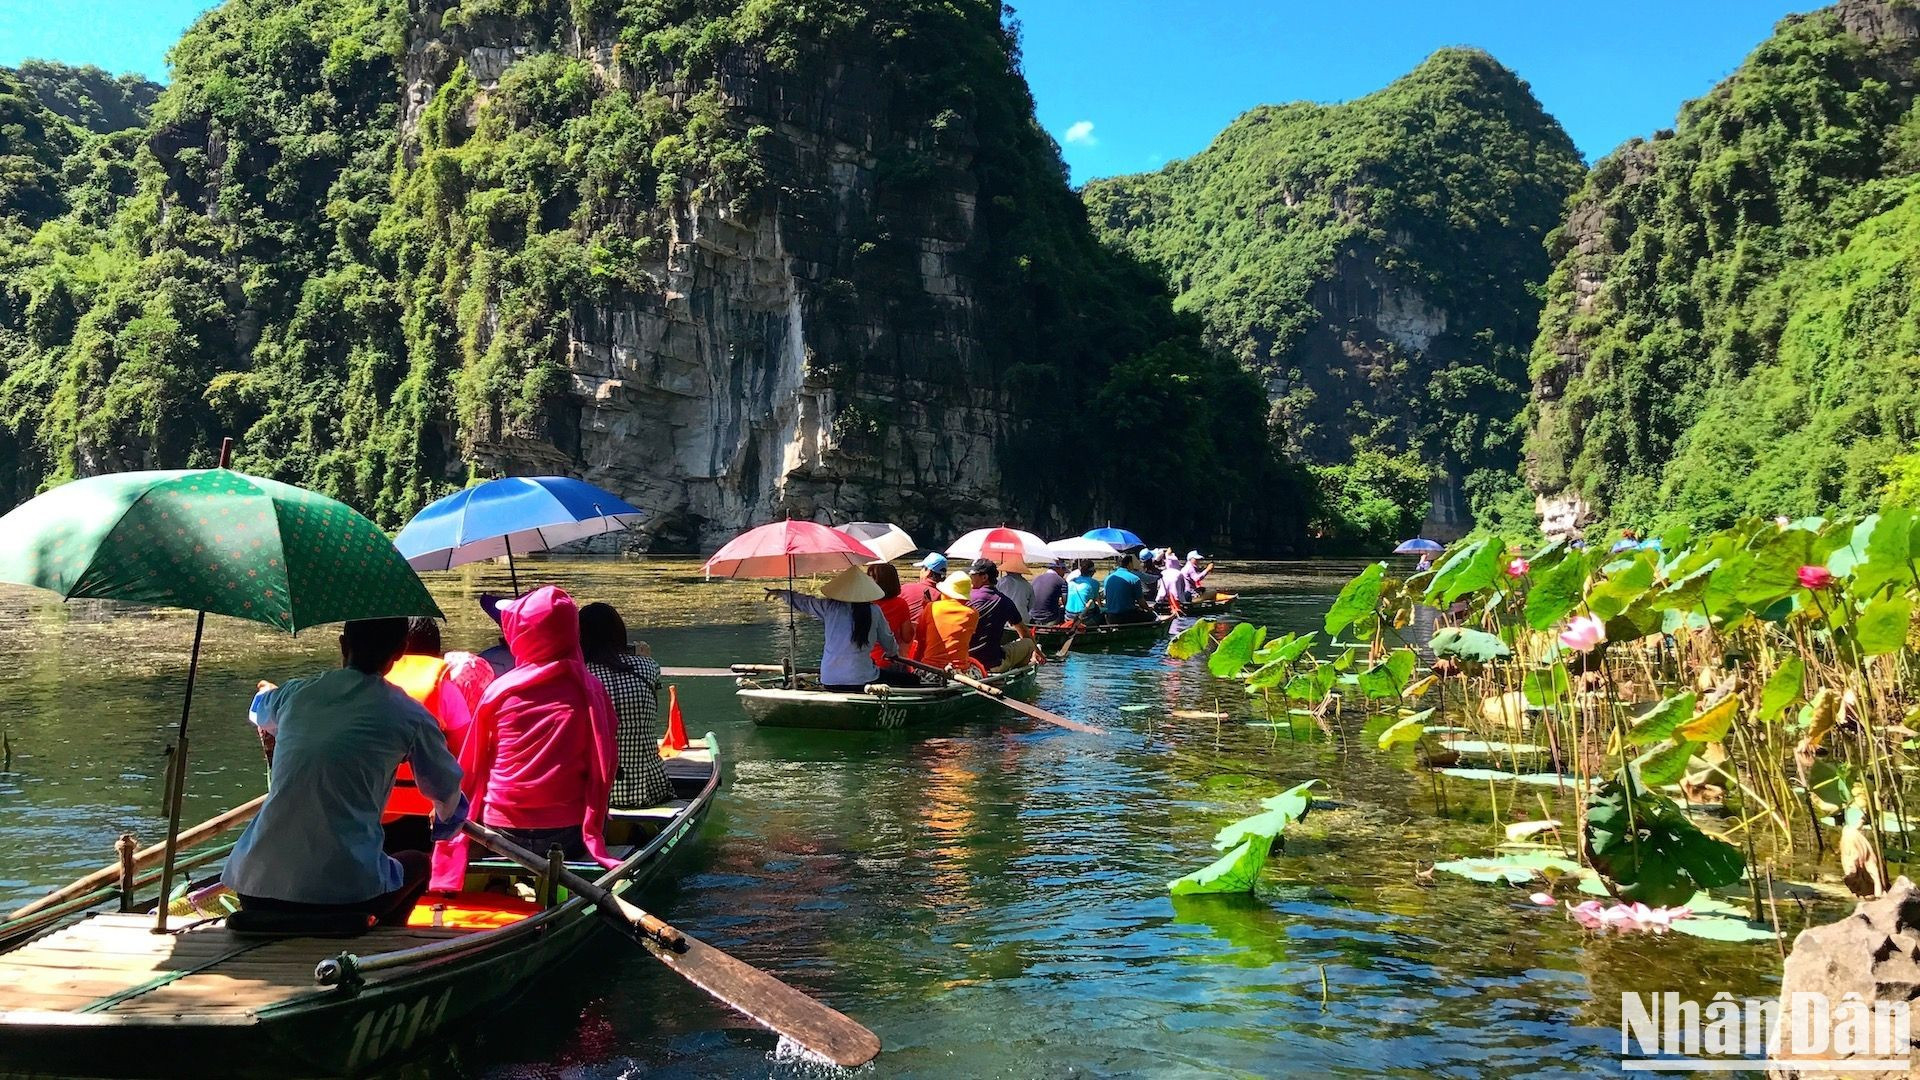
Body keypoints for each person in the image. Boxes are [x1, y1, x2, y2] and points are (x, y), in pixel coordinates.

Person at [224, 617, 466, 927]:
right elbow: (447, 794)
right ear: (400, 650)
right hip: (347, 895)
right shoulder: (410, 715)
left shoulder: (294, 693)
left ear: (343, 644)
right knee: (418, 862)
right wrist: (449, 821)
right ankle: (381, 944)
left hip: (254, 885)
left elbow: (257, 709)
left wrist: (271, 694)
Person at [453, 586, 619, 882]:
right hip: (566, 832)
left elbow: (472, 767)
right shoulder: (591, 688)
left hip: (500, 829)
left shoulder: (498, 690)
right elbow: (604, 768)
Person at [381, 617, 494, 852]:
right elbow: (464, 755)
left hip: (373, 807)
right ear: (438, 653)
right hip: (423, 815)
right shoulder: (446, 690)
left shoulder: (371, 681)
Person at [579, 602, 675, 810]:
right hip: (650, 786)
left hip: (594, 793)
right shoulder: (648, 667)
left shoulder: (579, 675)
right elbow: (651, 710)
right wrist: (646, 659)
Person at [768, 566, 917, 691]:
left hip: (829, 679)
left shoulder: (829, 607)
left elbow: (805, 602)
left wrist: (783, 593)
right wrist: (892, 653)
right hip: (862, 679)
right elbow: (888, 642)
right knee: (913, 680)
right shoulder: (873, 610)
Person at [966, 558, 1034, 671]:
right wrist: (1037, 652)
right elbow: (1024, 632)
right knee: (1028, 643)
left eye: (973, 575)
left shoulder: (966, 597)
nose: (970, 578)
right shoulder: (1005, 601)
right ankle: (1018, 675)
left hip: (966, 659)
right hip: (992, 664)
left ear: (984, 577)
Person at [916, 570, 981, 670]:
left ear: (945, 593)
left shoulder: (931, 607)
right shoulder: (972, 614)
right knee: (978, 666)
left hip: (929, 669)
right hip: (959, 671)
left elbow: (920, 636)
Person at [867, 561, 919, 665]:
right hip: (889, 660)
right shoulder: (900, 604)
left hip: (865, 660)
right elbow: (907, 637)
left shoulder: (864, 603)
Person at [1103, 553, 1152, 624]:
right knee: (1151, 616)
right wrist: (1148, 609)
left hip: (1111, 616)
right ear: (1129, 564)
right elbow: (1141, 602)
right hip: (1127, 616)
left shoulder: (1107, 579)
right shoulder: (1134, 578)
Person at [900, 553, 947, 623]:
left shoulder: (905, 588)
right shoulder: (943, 596)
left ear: (928, 572)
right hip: (927, 632)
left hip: (904, 632)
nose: (920, 571)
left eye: (922, 568)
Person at [994, 554, 1034, 622]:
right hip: (1023, 619)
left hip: (1004, 619)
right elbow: (1031, 606)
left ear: (1007, 570)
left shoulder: (1001, 582)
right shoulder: (1027, 585)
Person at [1028, 559, 1067, 626]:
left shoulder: (1036, 579)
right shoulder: (1061, 581)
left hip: (1032, 617)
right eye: (1064, 570)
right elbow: (1066, 602)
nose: (1064, 574)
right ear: (1059, 568)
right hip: (1049, 618)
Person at [1065, 559, 1102, 624]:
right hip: (1084, 617)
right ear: (1092, 571)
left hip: (1068, 615)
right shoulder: (1094, 583)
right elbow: (1095, 599)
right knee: (1100, 612)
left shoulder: (1072, 581)